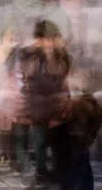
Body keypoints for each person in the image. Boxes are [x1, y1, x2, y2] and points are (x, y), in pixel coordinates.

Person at [10, 19, 72, 176]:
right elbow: (26, 78)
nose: (48, 43)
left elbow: (63, 79)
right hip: (31, 103)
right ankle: (33, 168)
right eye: (44, 39)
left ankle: (47, 168)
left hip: (51, 105)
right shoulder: (29, 56)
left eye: (51, 38)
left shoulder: (61, 57)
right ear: (38, 39)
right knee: (31, 138)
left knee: (48, 139)